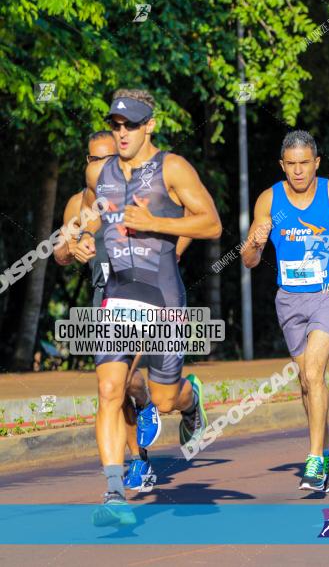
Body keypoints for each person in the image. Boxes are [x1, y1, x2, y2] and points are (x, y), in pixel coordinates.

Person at [73, 89, 222, 525]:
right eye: (116, 125)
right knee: (108, 391)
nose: (122, 133)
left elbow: (211, 222)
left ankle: (190, 400)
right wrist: (83, 238)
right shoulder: (99, 173)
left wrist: (155, 222)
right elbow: (92, 217)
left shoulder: (171, 168)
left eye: (131, 126)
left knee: (163, 397)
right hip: (117, 293)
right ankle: (115, 494)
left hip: (162, 294)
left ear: (149, 126)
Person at [242, 130, 329, 492]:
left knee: (314, 372)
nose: (299, 171)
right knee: (306, 381)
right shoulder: (268, 201)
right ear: (282, 166)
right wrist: (254, 244)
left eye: (305, 164)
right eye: (292, 165)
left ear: (316, 163)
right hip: (289, 299)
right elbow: (249, 260)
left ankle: (315, 458)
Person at [55, 131, 176, 492]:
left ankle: (157, 403)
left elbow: (182, 228)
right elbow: (59, 252)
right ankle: (139, 460)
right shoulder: (79, 203)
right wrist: (73, 247)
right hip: (103, 297)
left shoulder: (143, 192)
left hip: (146, 295)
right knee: (115, 389)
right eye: (95, 159)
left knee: (122, 383)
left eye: (109, 158)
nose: (102, 166)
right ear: (87, 163)